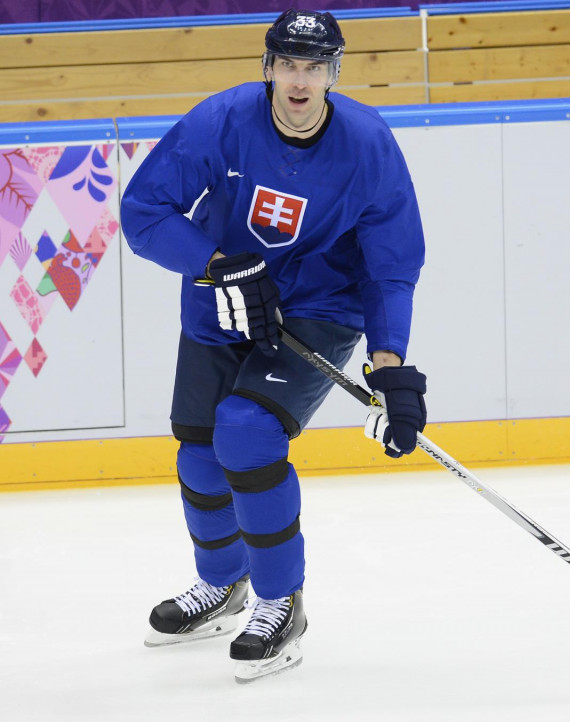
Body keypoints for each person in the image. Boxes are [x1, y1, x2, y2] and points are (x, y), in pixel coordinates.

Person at [120, 8, 427, 683]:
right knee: (199, 453)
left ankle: (281, 600)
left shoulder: (368, 145)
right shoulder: (222, 122)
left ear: (332, 74)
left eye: (313, 66)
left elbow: (390, 266)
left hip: (318, 306)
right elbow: (143, 212)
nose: (299, 78)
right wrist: (214, 262)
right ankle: (223, 584)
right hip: (220, 296)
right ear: (268, 68)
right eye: (288, 63)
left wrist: (391, 365)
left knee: (247, 432)